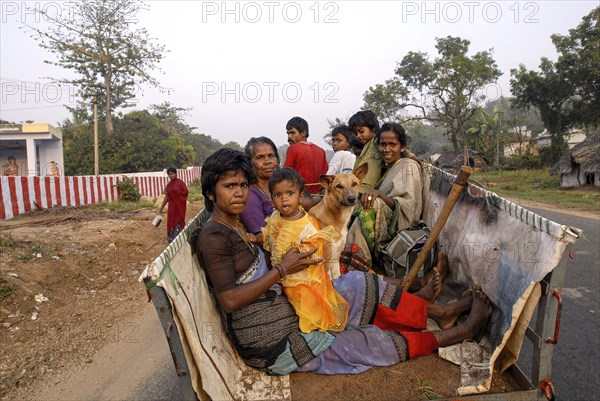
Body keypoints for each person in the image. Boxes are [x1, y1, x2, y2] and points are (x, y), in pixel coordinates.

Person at [196, 148, 491, 376]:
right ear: (211, 192)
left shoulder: (236, 225)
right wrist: (283, 269)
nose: (239, 192)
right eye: (229, 186)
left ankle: (438, 311)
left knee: (356, 282)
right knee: (367, 342)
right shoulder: (214, 237)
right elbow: (230, 300)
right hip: (274, 344)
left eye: (242, 185)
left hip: (287, 309)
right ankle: (455, 333)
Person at [261, 167, 348, 333]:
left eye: (290, 194)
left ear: (300, 197)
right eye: (278, 195)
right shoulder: (274, 217)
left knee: (306, 310)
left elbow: (313, 255)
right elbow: (269, 235)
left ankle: (312, 329)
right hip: (280, 273)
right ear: (272, 198)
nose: (284, 199)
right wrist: (258, 237)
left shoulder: (307, 227)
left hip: (302, 279)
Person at [347, 122, 429, 267]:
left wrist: (378, 195)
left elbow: (408, 206)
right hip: (383, 222)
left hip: (399, 227)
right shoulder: (389, 168)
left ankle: (357, 263)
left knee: (370, 205)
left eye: (392, 144)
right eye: (383, 144)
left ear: (402, 146)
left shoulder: (408, 166)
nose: (386, 149)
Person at [349, 110, 420, 192]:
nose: (358, 136)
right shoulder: (366, 146)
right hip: (361, 184)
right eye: (356, 133)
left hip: (368, 186)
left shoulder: (377, 141)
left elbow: (402, 149)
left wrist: (413, 157)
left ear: (373, 128)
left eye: (361, 131)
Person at [239, 137, 280, 237]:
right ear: (250, 163)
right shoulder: (250, 195)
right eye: (260, 157)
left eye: (271, 156)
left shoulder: (282, 186)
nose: (267, 161)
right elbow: (262, 237)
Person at [284, 116, 328, 194]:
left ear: (303, 133)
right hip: (319, 199)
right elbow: (325, 179)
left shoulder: (292, 149)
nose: (289, 136)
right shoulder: (321, 151)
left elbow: (286, 177)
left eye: (292, 133)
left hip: (301, 198)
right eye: (288, 133)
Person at [158, 167, 189, 243]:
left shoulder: (180, 183)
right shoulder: (169, 185)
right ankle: (172, 240)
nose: (171, 176)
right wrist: (161, 207)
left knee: (178, 221)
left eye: (172, 174)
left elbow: (185, 193)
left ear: (176, 174)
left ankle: (179, 240)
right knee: (171, 221)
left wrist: (177, 194)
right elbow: (167, 196)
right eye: (169, 174)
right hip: (172, 207)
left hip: (179, 207)